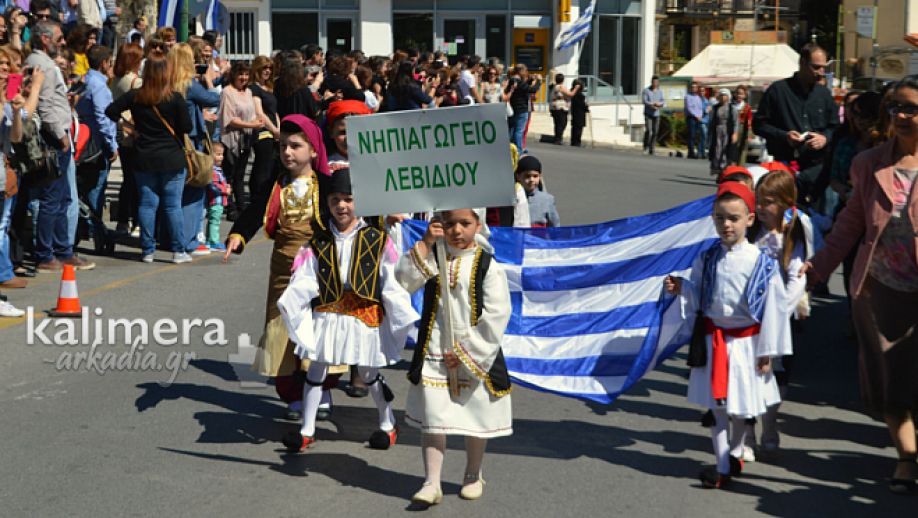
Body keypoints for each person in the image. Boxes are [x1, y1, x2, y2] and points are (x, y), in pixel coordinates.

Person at [800, 77, 918, 494]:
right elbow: (850, 224)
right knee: (891, 379)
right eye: (896, 107)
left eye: (911, 108)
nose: (901, 115)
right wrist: (815, 270)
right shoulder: (869, 164)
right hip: (880, 290)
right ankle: (906, 458)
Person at [278, 166, 418, 452]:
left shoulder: (377, 239)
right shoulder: (318, 241)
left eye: (348, 199)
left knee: (367, 372)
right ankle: (307, 429)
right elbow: (306, 277)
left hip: (363, 314)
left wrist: (401, 311)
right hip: (328, 312)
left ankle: (388, 423)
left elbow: (390, 279)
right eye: (335, 200)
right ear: (327, 203)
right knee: (316, 367)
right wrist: (292, 300)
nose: (341, 205)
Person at [664, 181, 791, 489]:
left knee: (740, 408)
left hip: (747, 345)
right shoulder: (707, 257)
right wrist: (682, 288)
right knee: (718, 407)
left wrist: (767, 351)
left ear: (750, 219)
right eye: (720, 218)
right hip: (714, 342)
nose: (726, 225)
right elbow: (700, 294)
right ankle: (722, 465)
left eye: (734, 218)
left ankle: (734, 453)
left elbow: (774, 310)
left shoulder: (762, 263)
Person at [395, 208, 513, 505]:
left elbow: (498, 314)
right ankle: (431, 482)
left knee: (475, 417)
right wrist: (425, 243)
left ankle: (473, 473)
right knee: (434, 418)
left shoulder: (487, 265)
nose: (457, 230)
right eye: (449, 224)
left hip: (474, 355)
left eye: (465, 223)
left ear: (478, 225)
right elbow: (405, 280)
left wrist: (464, 353)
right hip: (435, 348)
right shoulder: (435, 256)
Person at [223, 115, 330, 422]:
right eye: (283, 146)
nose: (287, 152)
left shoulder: (327, 186)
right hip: (284, 267)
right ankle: (292, 395)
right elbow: (256, 209)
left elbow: (348, 212)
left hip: (320, 268)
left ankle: (321, 389)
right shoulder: (276, 185)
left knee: (320, 328)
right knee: (281, 327)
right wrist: (238, 235)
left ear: (313, 150)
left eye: (295, 146)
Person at [105, 50, 193, 264]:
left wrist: (130, 128)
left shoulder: (136, 96)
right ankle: (178, 250)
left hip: (144, 155)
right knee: (172, 205)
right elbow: (186, 127)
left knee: (147, 204)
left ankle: (147, 250)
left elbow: (111, 110)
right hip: (171, 156)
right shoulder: (175, 98)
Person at [746, 169, 809, 457]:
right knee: (746, 372)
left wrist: (779, 311)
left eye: (768, 202)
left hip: (781, 318)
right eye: (758, 201)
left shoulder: (792, 234)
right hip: (749, 317)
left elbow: (798, 278)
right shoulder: (751, 233)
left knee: (776, 374)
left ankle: (769, 424)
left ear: (785, 203)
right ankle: (745, 433)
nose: (761, 208)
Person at [26, 19, 93, 272]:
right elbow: (44, 106)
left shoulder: (45, 63)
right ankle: (46, 254)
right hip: (53, 140)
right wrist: (61, 135)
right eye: (59, 38)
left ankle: (63, 250)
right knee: (52, 199)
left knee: (63, 197)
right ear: (45, 39)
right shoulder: (42, 65)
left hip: (59, 136)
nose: (63, 42)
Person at [753, 43, 839, 207]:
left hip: (816, 171)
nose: (821, 72)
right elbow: (759, 125)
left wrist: (824, 138)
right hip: (784, 168)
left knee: (816, 217)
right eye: (816, 67)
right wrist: (784, 136)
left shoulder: (824, 94)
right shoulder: (778, 91)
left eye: (823, 67)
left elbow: (835, 127)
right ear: (802, 63)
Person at [167, 43, 220, 256]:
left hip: (170, 142)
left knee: (172, 195)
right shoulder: (189, 84)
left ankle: (169, 237)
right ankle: (189, 240)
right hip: (191, 143)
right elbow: (214, 98)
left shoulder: (165, 82)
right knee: (194, 189)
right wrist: (209, 80)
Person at [74, 44, 117, 248]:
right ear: (104, 63)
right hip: (96, 145)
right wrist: (111, 144)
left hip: (85, 142)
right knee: (95, 190)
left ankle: (85, 229)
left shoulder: (85, 81)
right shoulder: (98, 85)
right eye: (110, 62)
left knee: (86, 188)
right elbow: (103, 117)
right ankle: (97, 233)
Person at [220, 61, 262, 219]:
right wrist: (251, 124)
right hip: (231, 139)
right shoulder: (227, 92)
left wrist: (256, 122)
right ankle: (230, 207)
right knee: (230, 175)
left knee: (240, 175)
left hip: (246, 139)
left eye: (246, 74)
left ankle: (241, 207)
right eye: (240, 74)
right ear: (234, 75)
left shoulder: (249, 92)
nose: (243, 77)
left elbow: (252, 114)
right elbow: (229, 119)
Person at [110, 42, 142, 237]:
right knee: (137, 181)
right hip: (134, 132)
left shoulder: (114, 80)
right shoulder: (135, 82)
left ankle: (122, 221)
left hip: (120, 132)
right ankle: (137, 221)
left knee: (127, 179)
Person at [505, 64, 540, 154]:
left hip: (514, 108)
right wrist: (539, 81)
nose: (526, 73)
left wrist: (530, 80)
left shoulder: (513, 80)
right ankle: (518, 151)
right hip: (521, 109)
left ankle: (511, 149)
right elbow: (532, 89)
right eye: (525, 71)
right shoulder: (518, 81)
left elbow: (524, 88)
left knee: (512, 130)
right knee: (519, 131)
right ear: (521, 71)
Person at [516, 155, 559, 228]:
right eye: (527, 176)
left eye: (535, 176)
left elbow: (555, 227)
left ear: (540, 177)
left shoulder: (547, 200)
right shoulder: (513, 199)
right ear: (518, 176)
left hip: (539, 235)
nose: (531, 179)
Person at [708, 88, 739, 176]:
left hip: (727, 131)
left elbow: (735, 122)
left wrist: (735, 133)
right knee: (717, 149)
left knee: (726, 149)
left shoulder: (732, 108)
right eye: (721, 95)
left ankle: (725, 169)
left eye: (724, 95)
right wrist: (710, 134)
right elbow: (711, 121)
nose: (722, 97)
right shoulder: (715, 108)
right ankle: (718, 170)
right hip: (717, 131)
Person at [205, 142, 228, 251]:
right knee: (215, 222)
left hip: (218, 201)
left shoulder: (218, 169)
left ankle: (209, 241)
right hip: (216, 201)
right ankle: (214, 242)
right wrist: (225, 190)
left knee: (213, 221)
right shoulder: (213, 170)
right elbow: (213, 186)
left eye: (222, 154)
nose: (221, 157)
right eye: (218, 154)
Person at [548, 73, 580, 145]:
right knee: (562, 124)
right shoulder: (560, 87)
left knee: (557, 124)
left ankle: (557, 138)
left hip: (554, 107)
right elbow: (571, 94)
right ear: (563, 80)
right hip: (561, 108)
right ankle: (558, 139)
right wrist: (576, 88)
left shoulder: (554, 86)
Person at [642, 75, 664, 155]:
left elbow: (663, 101)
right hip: (648, 113)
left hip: (656, 114)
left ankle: (652, 148)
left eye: (656, 82)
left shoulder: (660, 91)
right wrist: (652, 104)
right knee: (648, 130)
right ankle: (645, 147)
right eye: (654, 82)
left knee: (655, 131)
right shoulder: (646, 90)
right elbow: (644, 101)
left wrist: (659, 104)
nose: (655, 83)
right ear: (651, 82)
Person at [685, 82, 705, 159]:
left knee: (697, 136)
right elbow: (689, 108)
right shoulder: (687, 97)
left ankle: (697, 152)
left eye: (695, 87)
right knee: (691, 136)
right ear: (690, 88)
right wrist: (696, 116)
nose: (694, 89)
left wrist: (700, 116)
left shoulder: (698, 97)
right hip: (691, 118)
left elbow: (700, 108)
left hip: (698, 119)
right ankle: (691, 152)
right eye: (692, 87)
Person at [734, 85, 753, 165]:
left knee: (742, 150)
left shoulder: (747, 107)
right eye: (738, 93)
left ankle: (740, 167)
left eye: (741, 94)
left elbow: (749, 121)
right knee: (732, 149)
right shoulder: (731, 105)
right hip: (733, 129)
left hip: (742, 128)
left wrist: (749, 134)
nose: (739, 95)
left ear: (745, 96)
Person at [570, 78, 588, 148]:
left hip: (574, 112)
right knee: (579, 128)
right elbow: (582, 105)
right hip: (580, 114)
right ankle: (577, 142)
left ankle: (573, 141)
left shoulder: (572, 93)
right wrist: (586, 107)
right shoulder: (580, 95)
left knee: (574, 127)